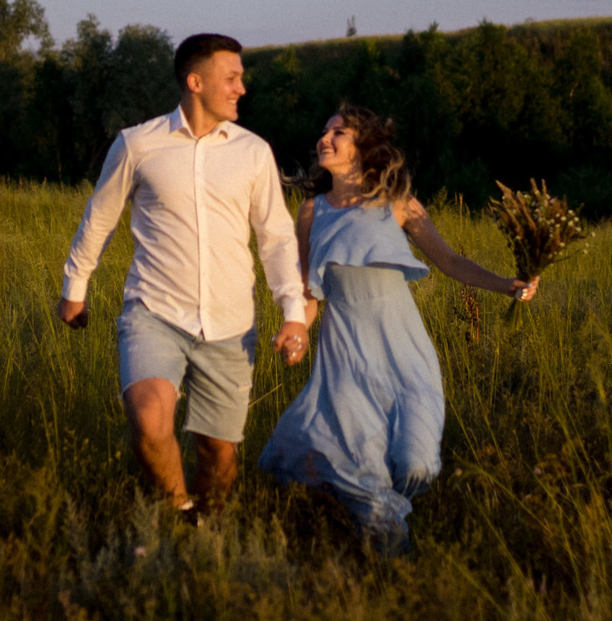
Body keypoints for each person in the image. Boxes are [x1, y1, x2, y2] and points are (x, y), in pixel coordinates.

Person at [257, 103, 537, 549]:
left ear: (365, 147)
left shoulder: (398, 205)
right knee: (359, 464)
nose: (324, 139)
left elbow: (449, 261)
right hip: (345, 354)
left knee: (417, 462)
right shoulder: (312, 211)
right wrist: (298, 330)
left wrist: (507, 285)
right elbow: (309, 292)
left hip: (404, 349)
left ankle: (381, 511)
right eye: (324, 131)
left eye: (339, 133)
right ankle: (384, 547)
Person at [59, 33, 307, 519]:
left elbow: (276, 238)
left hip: (230, 325)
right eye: (231, 78)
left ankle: (209, 533)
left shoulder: (254, 152)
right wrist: (75, 289)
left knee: (218, 453)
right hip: (154, 313)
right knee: (150, 421)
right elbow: (100, 218)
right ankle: (176, 516)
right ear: (196, 82)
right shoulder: (138, 144)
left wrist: (293, 314)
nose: (241, 88)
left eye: (241, 78)